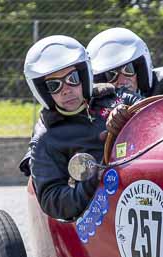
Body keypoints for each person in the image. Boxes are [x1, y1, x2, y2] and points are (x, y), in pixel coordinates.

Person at [21, 35, 136, 220]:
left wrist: (128, 113)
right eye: (54, 85)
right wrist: (95, 178)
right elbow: (53, 201)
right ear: (44, 91)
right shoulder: (47, 137)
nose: (66, 89)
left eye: (72, 78)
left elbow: (155, 113)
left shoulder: (112, 98)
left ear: (83, 76)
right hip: (102, 216)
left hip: (141, 183)